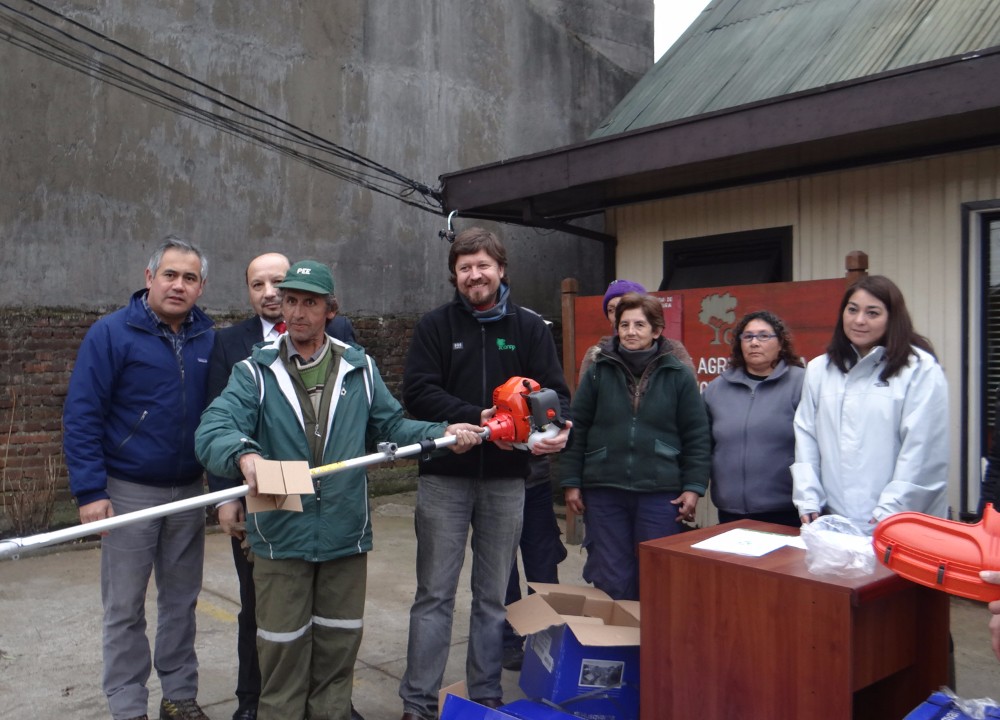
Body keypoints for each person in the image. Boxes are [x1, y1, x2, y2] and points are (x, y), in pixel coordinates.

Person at [196, 260, 483, 720]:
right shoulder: (255, 370)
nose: (297, 311)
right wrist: (244, 454)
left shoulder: (359, 367)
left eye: (309, 302)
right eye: (291, 300)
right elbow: (214, 426)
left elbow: (391, 426)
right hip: (279, 528)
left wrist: (446, 431)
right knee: (281, 652)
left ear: (331, 310)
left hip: (344, 532)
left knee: (337, 646)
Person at [398, 227, 572, 720]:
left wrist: (558, 429)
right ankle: (417, 701)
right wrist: (479, 417)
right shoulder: (435, 326)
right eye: (465, 267)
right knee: (434, 593)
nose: (474, 275)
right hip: (444, 476)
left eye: (483, 265)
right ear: (454, 275)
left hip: (505, 478)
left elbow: (553, 395)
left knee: (493, 594)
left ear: (501, 269)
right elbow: (418, 391)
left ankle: (486, 691)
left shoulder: (530, 328)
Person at [63, 238, 214, 720]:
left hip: (189, 491)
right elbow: (82, 413)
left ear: (201, 287)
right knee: (125, 606)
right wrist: (91, 491)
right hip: (129, 491)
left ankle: (179, 695)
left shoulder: (209, 338)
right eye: (170, 275)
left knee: (181, 600)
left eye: (189, 278)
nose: (179, 285)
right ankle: (128, 705)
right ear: (149, 278)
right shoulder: (111, 334)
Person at [205, 252, 361, 720]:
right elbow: (218, 419)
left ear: (326, 309)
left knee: (331, 616)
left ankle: (330, 706)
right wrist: (231, 488)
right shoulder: (239, 351)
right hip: (270, 486)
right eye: (262, 286)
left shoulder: (348, 349)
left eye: (287, 289)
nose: (279, 300)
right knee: (270, 611)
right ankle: (257, 703)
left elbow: (376, 418)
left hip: (330, 496)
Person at [561, 292, 710, 601]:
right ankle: (616, 646)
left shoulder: (677, 374)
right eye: (624, 324)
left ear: (656, 330)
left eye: (639, 325)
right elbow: (579, 426)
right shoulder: (599, 370)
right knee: (610, 574)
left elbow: (696, 433)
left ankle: (654, 647)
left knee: (658, 576)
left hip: (660, 491)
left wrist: (693, 487)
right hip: (604, 489)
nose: (630, 332)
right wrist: (572, 482)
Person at [792, 275, 949, 527]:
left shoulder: (919, 369)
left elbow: (922, 450)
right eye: (852, 310)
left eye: (872, 313)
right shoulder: (820, 369)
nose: (859, 320)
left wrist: (889, 511)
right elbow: (806, 435)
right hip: (836, 522)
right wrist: (808, 499)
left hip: (901, 526)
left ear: (892, 318)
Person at [703, 310, 805, 527]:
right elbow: (701, 445)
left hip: (786, 511)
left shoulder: (802, 384)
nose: (754, 342)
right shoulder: (716, 389)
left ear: (781, 344)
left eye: (763, 336)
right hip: (731, 511)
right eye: (747, 336)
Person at [579, 279, 693, 377]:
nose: (616, 315)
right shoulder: (597, 355)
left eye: (622, 307)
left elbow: (689, 392)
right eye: (611, 310)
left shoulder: (673, 350)